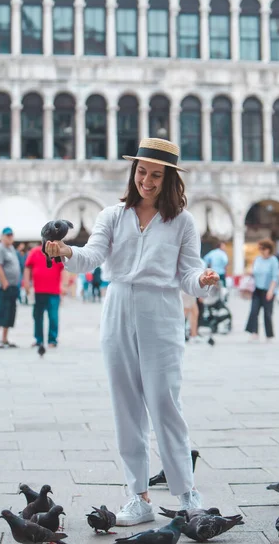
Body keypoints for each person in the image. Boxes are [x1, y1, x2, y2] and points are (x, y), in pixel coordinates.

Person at [44, 138, 219, 525]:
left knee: (164, 402)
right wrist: (67, 252)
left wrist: (204, 278)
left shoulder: (183, 222)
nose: (147, 181)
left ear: (169, 178)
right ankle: (137, 496)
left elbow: (188, 274)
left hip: (161, 310)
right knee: (125, 406)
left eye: (157, 175)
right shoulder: (113, 215)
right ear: (133, 171)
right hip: (118, 305)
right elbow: (91, 258)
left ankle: (187, 494)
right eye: (142, 171)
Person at [23, 243, 64, 355]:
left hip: (54, 291)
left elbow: (64, 268)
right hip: (37, 291)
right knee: (37, 316)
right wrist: (26, 282)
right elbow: (27, 267)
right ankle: (39, 340)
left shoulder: (57, 252)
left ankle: (52, 340)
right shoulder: (35, 252)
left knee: (53, 316)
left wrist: (64, 286)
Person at [0, 227, 21, 349]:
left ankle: (4, 338)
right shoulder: (0, 248)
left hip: (13, 285)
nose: (9, 238)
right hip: (4, 286)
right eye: (7, 235)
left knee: (10, 313)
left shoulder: (11, 248)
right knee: (2, 311)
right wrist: (4, 282)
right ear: (2, 236)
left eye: (11, 235)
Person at [245, 238, 279, 342]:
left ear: (269, 249)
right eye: (260, 249)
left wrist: (271, 291)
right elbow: (253, 271)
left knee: (267, 313)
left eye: (263, 249)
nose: (261, 251)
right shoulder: (258, 259)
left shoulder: (273, 260)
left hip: (268, 290)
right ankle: (254, 332)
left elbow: (275, 277)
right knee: (254, 311)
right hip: (257, 289)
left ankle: (269, 335)